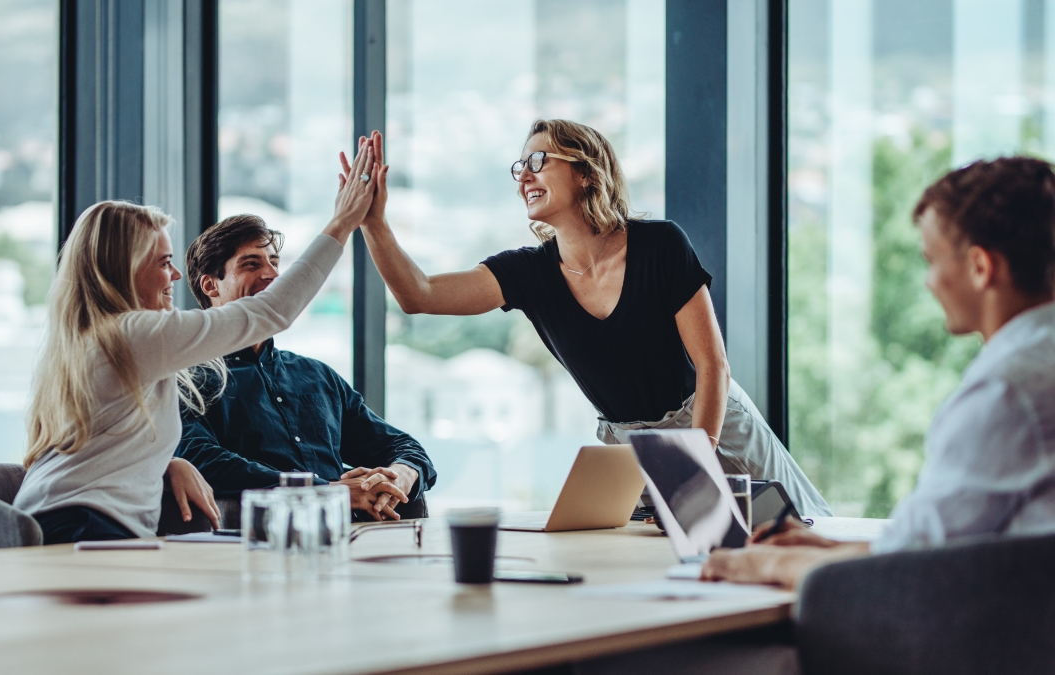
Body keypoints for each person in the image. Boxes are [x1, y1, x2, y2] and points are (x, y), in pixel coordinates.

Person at [348, 120, 831, 517]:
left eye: (539, 161)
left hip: (713, 422)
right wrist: (374, 223)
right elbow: (419, 294)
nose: (524, 177)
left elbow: (713, 367)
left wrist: (693, 460)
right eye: (520, 167)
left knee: (802, 534)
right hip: (630, 449)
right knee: (662, 566)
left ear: (585, 172)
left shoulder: (660, 244)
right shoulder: (528, 272)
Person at [702, 156, 1055, 588]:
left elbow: (909, 569)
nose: (928, 282)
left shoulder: (1008, 390)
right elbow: (939, 539)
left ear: (981, 267)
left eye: (932, 261)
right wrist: (830, 549)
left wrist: (765, 565)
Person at [12, 141, 379, 544]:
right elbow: (271, 312)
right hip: (82, 526)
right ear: (124, 269)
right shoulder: (132, 334)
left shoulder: (94, 339)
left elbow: (104, 443)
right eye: (163, 262)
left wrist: (169, 462)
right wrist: (342, 223)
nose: (175, 277)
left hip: (59, 520)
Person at [175, 214, 436, 521]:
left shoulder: (317, 375)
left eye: (274, 262)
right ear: (211, 285)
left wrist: (400, 475)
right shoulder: (187, 378)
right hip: (257, 541)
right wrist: (326, 490)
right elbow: (200, 458)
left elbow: (402, 445)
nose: (273, 274)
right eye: (251, 264)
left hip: (353, 539)